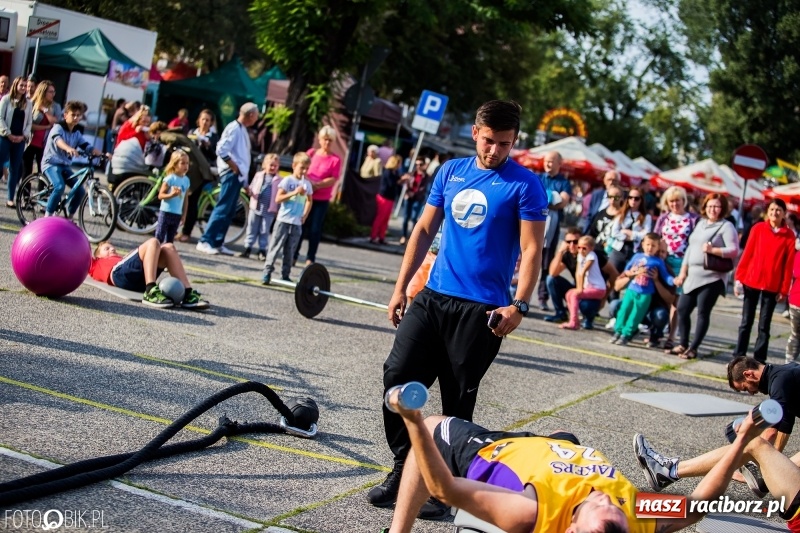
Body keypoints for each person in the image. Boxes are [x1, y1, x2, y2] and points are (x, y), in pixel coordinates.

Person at [368, 100, 548, 517]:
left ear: (514, 141)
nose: (495, 150)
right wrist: (400, 288)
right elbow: (423, 228)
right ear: (475, 133)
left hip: (481, 310)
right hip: (433, 297)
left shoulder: (525, 185)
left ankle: (442, 489)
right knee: (397, 378)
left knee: (456, 404)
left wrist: (519, 305)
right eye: (489, 141)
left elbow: (532, 249)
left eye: (505, 144)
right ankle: (404, 465)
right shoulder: (451, 171)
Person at [382, 384, 764, 533]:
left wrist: (413, 419)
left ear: (572, 529)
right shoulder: (638, 518)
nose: (606, 498)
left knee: (434, 427)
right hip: (557, 449)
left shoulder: (531, 512)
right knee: (565, 434)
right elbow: (697, 506)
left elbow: (444, 488)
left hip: (496, 452)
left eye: (599, 507)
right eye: (615, 505)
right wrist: (742, 441)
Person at [670, 193, 739, 359]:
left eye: (716, 206)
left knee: (703, 312)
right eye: (710, 206)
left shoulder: (726, 226)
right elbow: (690, 248)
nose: (712, 210)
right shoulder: (700, 223)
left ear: (722, 208)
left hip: (712, 277)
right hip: (692, 275)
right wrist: (683, 271)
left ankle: (693, 348)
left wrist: (713, 250)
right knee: (682, 309)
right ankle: (683, 343)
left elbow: (734, 250)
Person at [733, 199, 796, 363]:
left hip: (772, 286)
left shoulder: (789, 235)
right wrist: (739, 277)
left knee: (764, 326)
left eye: (779, 210)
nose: (775, 213)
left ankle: (759, 361)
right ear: (767, 211)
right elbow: (747, 253)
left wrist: (784, 290)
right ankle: (738, 357)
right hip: (751, 281)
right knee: (746, 322)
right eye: (772, 209)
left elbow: (788, 265)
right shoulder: (758, 228)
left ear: (784, 213)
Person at [196, 102, 259, 256]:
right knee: (223, 208)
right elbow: (221, 149)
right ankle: (205, 240)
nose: (257, 119)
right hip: (231, 174)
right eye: (256, 116)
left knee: (229, 211)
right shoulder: (234, 128)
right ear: (251, 115)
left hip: (237, 175)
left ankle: (218, 242)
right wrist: (233, 166)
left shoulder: (241, 129)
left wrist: (244, 181)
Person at [89, 239, 209, 309]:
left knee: (169, 247)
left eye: (112, 248)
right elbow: (82, 249)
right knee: (153, 242)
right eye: (106, 249)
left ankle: (187, 294)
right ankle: (150, 290)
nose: (112, 249)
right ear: (98, 256)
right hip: (118, 274)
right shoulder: (96, 263)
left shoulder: (121, 259)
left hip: (139, 281)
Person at [653, 186, 699, 351]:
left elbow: (695, 243)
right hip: (664, 262)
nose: (674, 204)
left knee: (677, 302)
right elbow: (656, 237)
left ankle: (671, 337)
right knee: (661, 297)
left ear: (683, 201)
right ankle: (657, 331)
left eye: (677, 200)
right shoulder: (664, 218)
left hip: (682, 263)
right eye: (671, 201)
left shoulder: (692, 219)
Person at [40, 101, 104, 217]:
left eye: (78, 115)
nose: (76, 118)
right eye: (73, 115)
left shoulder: (76, 133)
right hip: (51, 164)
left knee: (80, 191)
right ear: (65, 115)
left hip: (64, 165)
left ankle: (69, 217)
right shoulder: (58, 127)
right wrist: (68, 148)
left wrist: (102, 154)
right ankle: (47, 215)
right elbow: (58, 141)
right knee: (59, 187)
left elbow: (86, 146)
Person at [544, 226, 619, 327]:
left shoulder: (594, 255)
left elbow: (614, 274)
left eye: (575, 242)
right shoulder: (570, 254)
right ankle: (562, 314)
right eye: (568, 242)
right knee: (551, 280)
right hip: (582, 287)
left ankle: (587, 319)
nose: (572, 245)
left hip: (595, 290)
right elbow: (553, 273)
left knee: (585, 304)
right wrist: (560, 251)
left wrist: (604, 297)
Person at [608, 239, 675, 348]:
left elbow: (668, 282)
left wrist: (666, 281)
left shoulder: (660, 263)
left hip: (646, 296)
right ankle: (618, 331)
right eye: (648, 245)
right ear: (643, 245)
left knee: (639, 314)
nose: (651, 249)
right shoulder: (637, 257)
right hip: (632, 289)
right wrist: (631, 274)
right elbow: (622, 276)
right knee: (621, 309)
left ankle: (629, 335)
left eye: (661, 251)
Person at [261, 152, 312, 285]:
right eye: (302, 168)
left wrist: (305, 215)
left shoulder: (307, 184)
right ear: (294, 166)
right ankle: (267, 271)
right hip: (283, 220)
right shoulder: (288, 181)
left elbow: (309, 200)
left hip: (296, 223)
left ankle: (285, 274)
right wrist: (294, 192)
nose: (304, 171)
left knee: (290, 250)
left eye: (307, 169)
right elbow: (278, 198)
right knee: (275, 247)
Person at [295, 125, 341, 265]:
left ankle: (310, 257)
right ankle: (294, 254)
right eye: (325, 139)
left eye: (330, 140)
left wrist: (317, 185)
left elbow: (333, 178)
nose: (327, 142)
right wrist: (310, 183)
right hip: (306, 196)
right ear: (320, 140)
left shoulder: (335, 159)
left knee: (315, 229)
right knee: (300, 225)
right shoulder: (311, 153)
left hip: (321, 199)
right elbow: (302, 170)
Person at [536, 151, 571, 311]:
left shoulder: (564, 183)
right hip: (534, 224)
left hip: (552, 229)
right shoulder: (537, 178)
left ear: (559, 163)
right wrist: (551, 199)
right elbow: (530, 197)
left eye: (551, 161)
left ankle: (542, 297)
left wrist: (543, 199)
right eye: (546, 161)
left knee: (546, 264)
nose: (548, 164)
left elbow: (562, 203)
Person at [178, 109, 219, 243]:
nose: (205, 122)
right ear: (198, 120)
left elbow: (214, 156)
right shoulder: (192, 132)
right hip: (187, 170)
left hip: (201, 174)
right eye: (203, 119)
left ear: (211, 122)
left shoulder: (214, 137)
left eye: (208, 120)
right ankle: (177, 229)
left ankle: (187, 232)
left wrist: (207, 146)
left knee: (192, 202)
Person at [559, 235, 607, 330]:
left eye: (584, 248)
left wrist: (580, 289)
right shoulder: (580, 256)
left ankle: (573, 322)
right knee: (569, 294)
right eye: (579, 247)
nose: (581, 250)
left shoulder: (591, 256)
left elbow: (583, 271)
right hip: (589, 287)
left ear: (591, 248)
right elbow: (578, 273)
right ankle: (575, 320)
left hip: (598, 288)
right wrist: (579, 287)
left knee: (574, 295)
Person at [241, 153, 280, 260]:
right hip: (256, 207)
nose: (273, 168)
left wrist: (277, 209)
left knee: (264, 230)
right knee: (252, 228)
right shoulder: (259, 175)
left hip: (269, 210)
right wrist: (249, 191)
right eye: (271, 165)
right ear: (264, 165)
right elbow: (252, 186)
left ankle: (262, 250)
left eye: (275, 166)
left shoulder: (279, 180)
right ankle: (248, 247)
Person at [0, 77, 32, 208]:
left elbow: (29, 122)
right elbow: (0, 117)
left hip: (19, 140)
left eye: (25, 86)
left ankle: (10, 198)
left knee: (15, 169)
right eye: (21, 85)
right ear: (15, 85)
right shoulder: (6, 99)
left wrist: (23, 136)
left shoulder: (28, 103)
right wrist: (8, 133)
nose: (24, 88)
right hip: (5, 137)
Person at [608, 186, 652, 274]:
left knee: (630, 275)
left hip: (635, 250)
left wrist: (630, 234)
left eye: (636, 198)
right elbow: (614, 232)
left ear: (641, 200)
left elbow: (646, 235)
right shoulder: (622, 213)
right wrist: (627, 236)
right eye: (630, 197)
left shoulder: (646, 217)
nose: (633, 200)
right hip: (619, 249)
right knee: (611, 273)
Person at [22, 80, 57, 178]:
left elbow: (54, 122)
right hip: (30, 142)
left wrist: (45, 110)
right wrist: (46, 127)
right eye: (50, 92)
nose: (53, 94)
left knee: (43, 171)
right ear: (43, 92)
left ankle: (42, 188)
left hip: (44, 144)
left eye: (54, 92)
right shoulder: (31, 104)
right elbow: (29, 125)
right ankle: (25, 188)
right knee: (26, 170)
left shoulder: (54, 106)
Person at [155, 150, 191, 243]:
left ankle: (166, 252)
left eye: (187, 163)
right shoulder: (170, 179)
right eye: (182, 163)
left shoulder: (186, 180)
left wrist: (184, 214)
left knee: (170, 240)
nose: (186, 166)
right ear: (174, 164)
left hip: (177, 214)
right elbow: (160, 195)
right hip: (166, 212)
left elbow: (185, 199)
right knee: (159, 237)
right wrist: (171, 195)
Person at [370, 154, 403, 245]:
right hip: (384, 197)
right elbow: (391, 184)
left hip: (390, 197)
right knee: (380, 217)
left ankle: (381, 237)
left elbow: (397, 183)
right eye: (399, 163)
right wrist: (401, 180)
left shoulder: (395, 172)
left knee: (386, 219)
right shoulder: (388, 172)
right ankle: (373, 236)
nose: (400, 165)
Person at [398, 155, 429, 245]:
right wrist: (403, 179)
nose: (418, 166)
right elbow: (400, 183)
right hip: (408, 197)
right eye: (416, 164)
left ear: (424, 165)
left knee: (414, 218)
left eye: (420, 164)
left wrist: (414, 194)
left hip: (417, 199)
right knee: (405, 218)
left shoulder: (426, 176)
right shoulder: (411, 173)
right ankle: (403, 236)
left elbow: (423, 189)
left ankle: (413, 238)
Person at [586, 182, 625, 252]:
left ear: (622, 198)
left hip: (611, 251)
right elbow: (593, 231)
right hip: (596, 248)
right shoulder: (601, 212)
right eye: (610, 196)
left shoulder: (623, 216)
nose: (612, 199)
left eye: (616, 197)